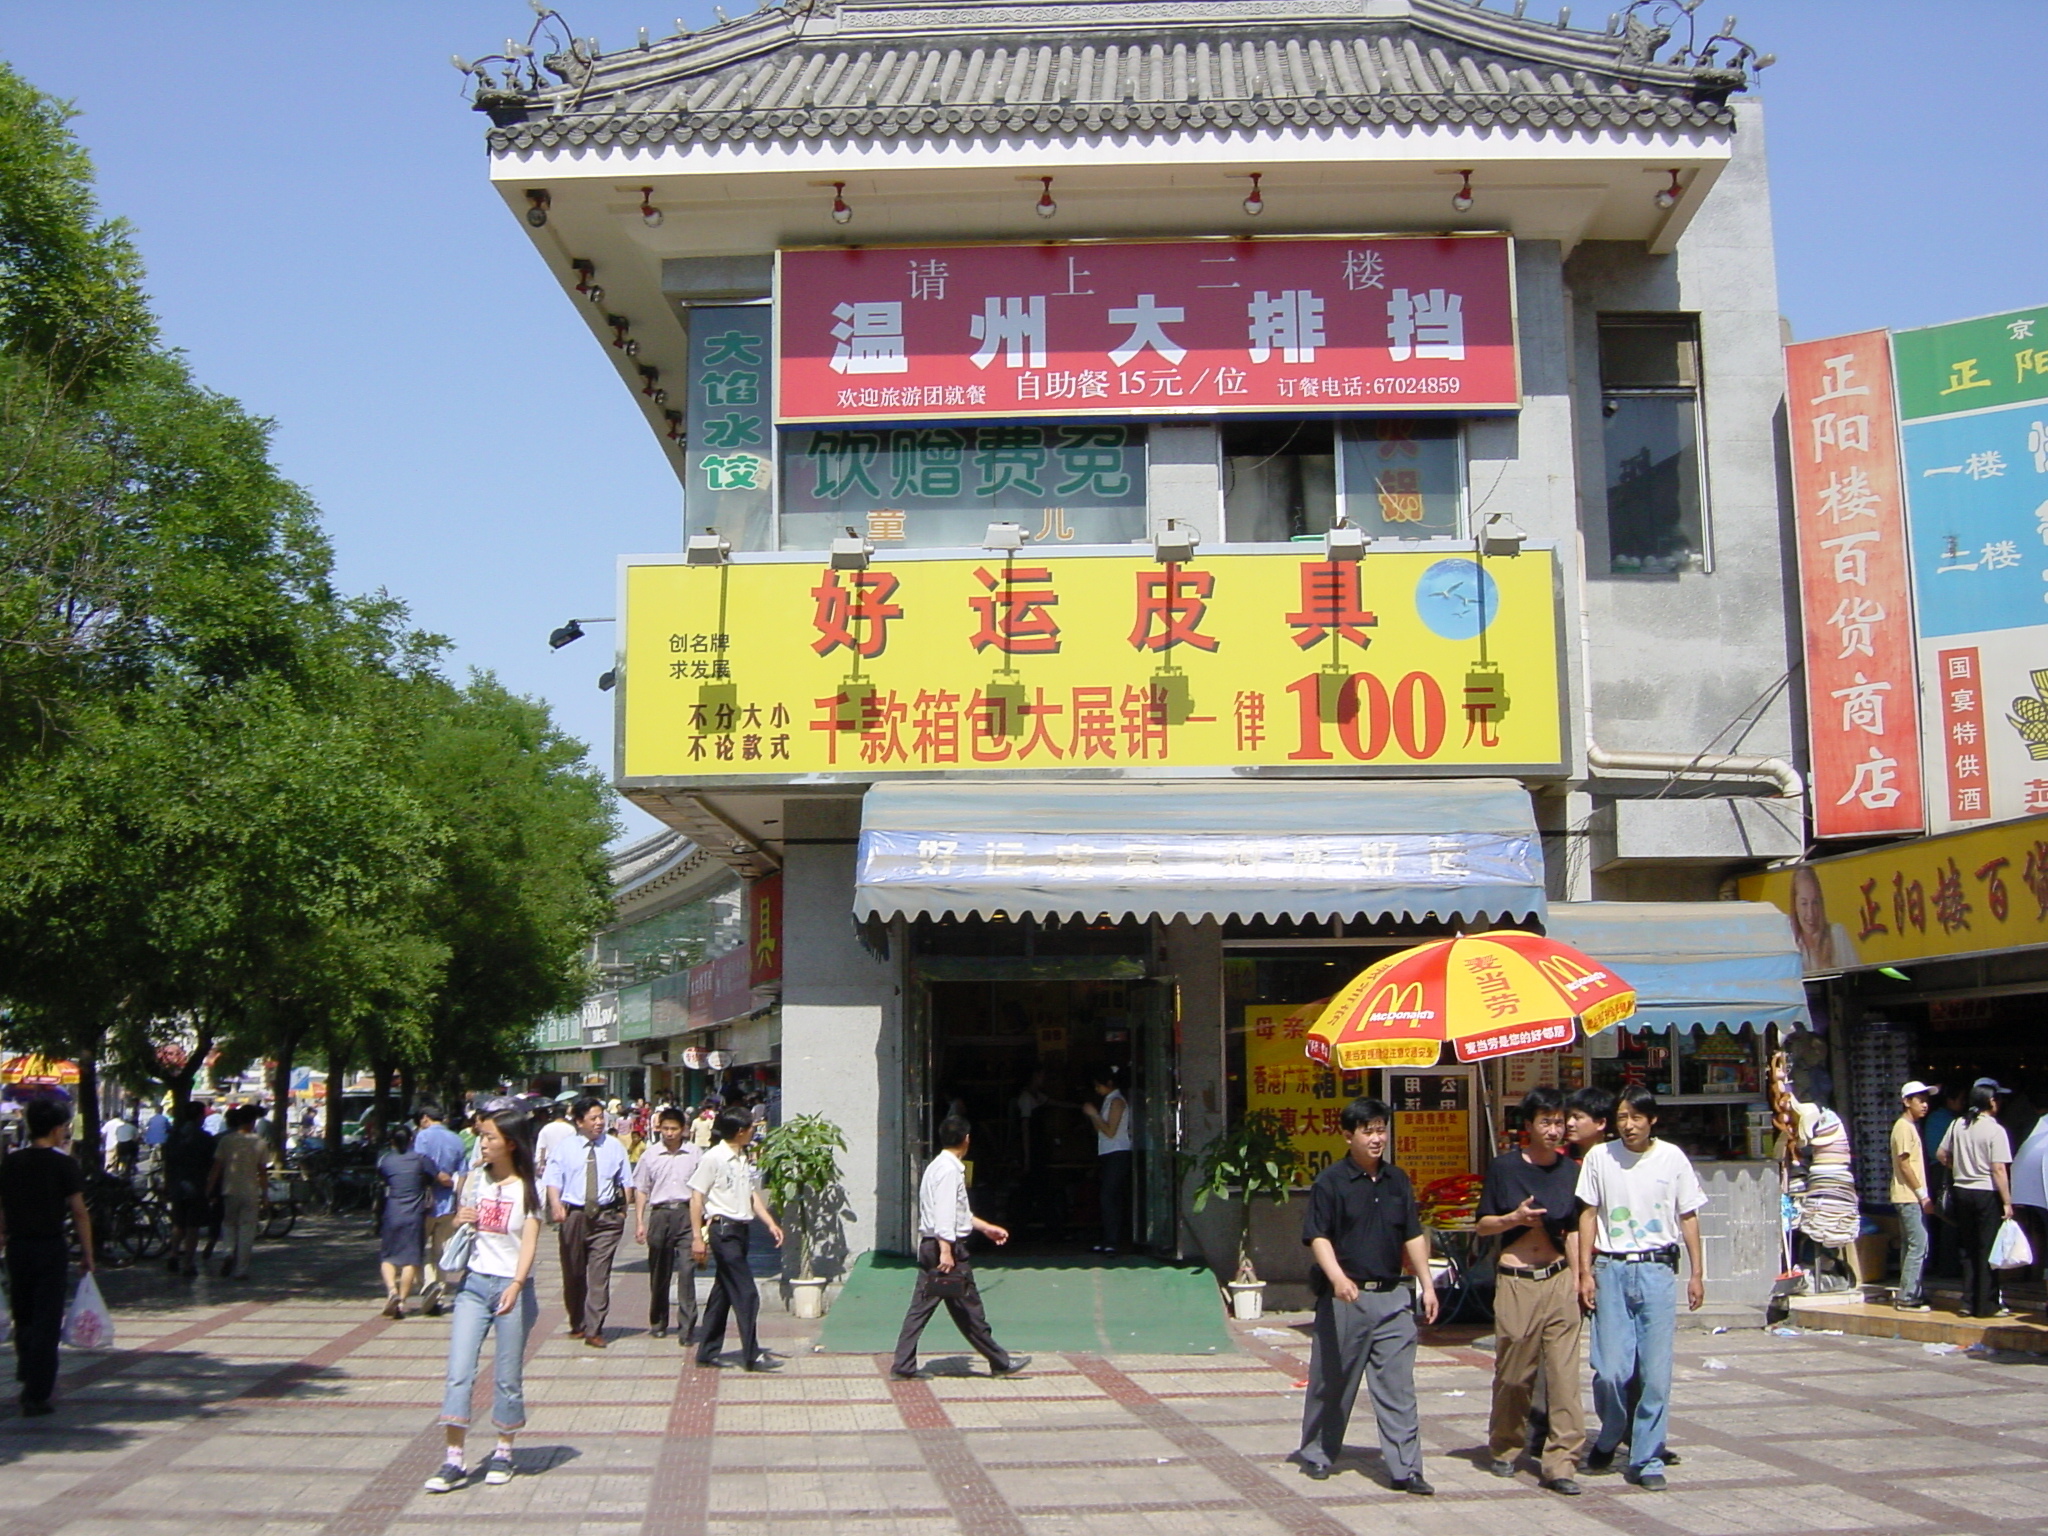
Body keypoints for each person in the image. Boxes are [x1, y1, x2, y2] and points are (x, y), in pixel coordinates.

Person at [1293, 1097, 1439, 1493]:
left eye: (1381, 1129)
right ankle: (1319, 1452)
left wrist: (1427, 1283)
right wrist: (1338, 1278)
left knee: (1397, 1387)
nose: (1377, 1138)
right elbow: (1317, 1235)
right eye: (1368, 1131)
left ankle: (1406, 1468)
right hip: (1347, 1298)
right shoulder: (1331, 1182)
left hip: (1393, 1296)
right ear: (1348, 1136)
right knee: (1333, 1380)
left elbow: (1412, 1233)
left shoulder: (1397, 1181)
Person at [1575, 1087, 1706, 1493]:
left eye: (1635, 1117)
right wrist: (1585, 1272)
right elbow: (1588, 1215)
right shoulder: (1600, 1157)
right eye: (1621, 1117)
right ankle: (1613, 1431)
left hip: (1657, 1271)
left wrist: (1698, 1273)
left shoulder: (1672, 1159)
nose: (1628, 1125)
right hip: (1611, 1269)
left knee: (1654, 1373)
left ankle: (1646, 1455)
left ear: (1652, 1120)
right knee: (1611, 1370)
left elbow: (1688, 1216)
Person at [423, 1101, 543, 1495]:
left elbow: (529, 1242)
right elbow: (463, 1222)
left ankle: (503, 1452)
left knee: (508, 1375)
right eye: (482, 1136)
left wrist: (517, 1284)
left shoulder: (526, 1188)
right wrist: (460, 1220)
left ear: (510, 1143)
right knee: (460, 1370)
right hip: (474, 1285)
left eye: (490, 1137)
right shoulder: (473, 1180)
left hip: (511, 1286)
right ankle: (453, 1460)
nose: (483, 1142)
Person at [1474, 1086, 1584, 1496]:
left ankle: (1562, 1462)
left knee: (1564, 1376)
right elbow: (1482, 1225)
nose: (1555, 1130)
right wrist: (1513, 1218)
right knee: (1515, 1375)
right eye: (1546, 1122)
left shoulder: (1571, 1171)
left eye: (1559, 1122)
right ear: (1528, 1126)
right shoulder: (1504, 1169)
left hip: (1558, 1277)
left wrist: (1581, 1277)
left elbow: (1574, 1228)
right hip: (1517, 1279)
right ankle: (1505, 1445)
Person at [892, 1116, 1029, 1380]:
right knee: (969, 1308)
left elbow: (957, 1212)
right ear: (966, 1140)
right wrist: (947, 1250)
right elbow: (944, 1213)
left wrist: (984, 1227)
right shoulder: (950, 1170)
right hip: (945, 1248)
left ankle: (903, 1365)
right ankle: (1000, 1362)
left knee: (925, 1309)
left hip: (933, 1245)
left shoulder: (937, 1166)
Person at [0, 1098, 95, 1416]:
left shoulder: (12, 1162)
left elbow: (2, 1207)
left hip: (17, 1248)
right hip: (50, 1247)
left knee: (23, 1315)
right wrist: (88, 1254)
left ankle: (28, 1370)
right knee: (47, 1319)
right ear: (56, 1130)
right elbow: (79, 1212)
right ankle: (37, 1392)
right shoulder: (63, 1164)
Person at [689, 1107, 784, 1371]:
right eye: (751, 1128)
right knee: (747, 1293)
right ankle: (752, 1354)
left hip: (742, 1231)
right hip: (723, 1232)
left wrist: (770, 1223)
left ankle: (707, 1351)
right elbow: (696, 1198)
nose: (754, 1131)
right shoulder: (714, 1158)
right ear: (740, 1132)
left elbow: (751, 1195)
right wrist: (697, 1237)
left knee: (723, 1294)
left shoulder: (742, 1157)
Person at [542, 1095, 630, 1346]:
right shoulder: (565, 1147)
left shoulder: (614, 1146)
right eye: (593, 1118)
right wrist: (556, 1205)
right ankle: (577, 1322)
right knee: (573, 1273)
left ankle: (594, 1329)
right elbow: (553, 1179)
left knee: (599, 1275)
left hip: (605, 1218)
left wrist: (623, 1213)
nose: (599, 1122)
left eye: (601, 1117)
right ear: (579, 1121)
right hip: (574, 1216)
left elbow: (626, 1182)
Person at [1937, 1083, 2015, 1318]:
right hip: (1985, 1193)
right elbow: (1998, 1169)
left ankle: (1968, 1302)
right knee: (1987, 1249)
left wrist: (1959, 1166)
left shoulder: (1957, 1125)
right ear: (1991, 1102)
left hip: (1962, 1191)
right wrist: (2008, 1202)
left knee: (1969, 1249)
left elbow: (1941, 1154)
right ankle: (1986, 1304)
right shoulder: (1995, 1130)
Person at [633, 1106, 703, 1343]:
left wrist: (702, 1226)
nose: (670, 1133)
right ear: (659, 1128)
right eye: (666, 1129)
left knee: (686, 1271)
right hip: (660, 1215)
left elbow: (701, 1189)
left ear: (683, 1129)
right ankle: (659, 1321)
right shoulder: (650, 1155)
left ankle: (687, 1327)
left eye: (674, 1129)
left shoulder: (695, 1154)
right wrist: (640, 1221)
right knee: (659, 1273)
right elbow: (641, 1189)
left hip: (686, 1214)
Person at [376, 1123, 443, 1318]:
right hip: (414, 1214)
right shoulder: (421, 1160)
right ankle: (402, 1302)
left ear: (391, 1142)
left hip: (392, 1212)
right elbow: (433, 1177)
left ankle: (392, 1291)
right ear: (412, 1140)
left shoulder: (385, 1160)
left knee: (388, 1256)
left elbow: (383, 1179)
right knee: (411, 1259)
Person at [413, 1102, 469, 1318]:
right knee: (441, 1250)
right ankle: (440, 1293)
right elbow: (463, 1172)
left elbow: (420, 1165)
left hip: (425, 1201)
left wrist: (437, 1177)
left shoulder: (422, 1137)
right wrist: (457, 1193)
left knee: (418, 1248)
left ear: (426, 1118)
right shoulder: (456, 1138)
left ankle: (428, 1286)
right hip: (449, 1203)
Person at [207, 1104, 271, 1280]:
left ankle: (228, 1252)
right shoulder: (259, 1142)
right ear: (253, 1122)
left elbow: (216, 1168)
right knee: (247, 1230)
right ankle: (241, 1269)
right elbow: (262, 1172)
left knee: (228, 1224)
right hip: (250, 1191)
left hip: (229, 1189)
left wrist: (209, 1189)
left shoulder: (226, 1141)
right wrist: (265, 1194)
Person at [1891, 1081, 1938, 1312]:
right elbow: (1905, 1164)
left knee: (1911, 1246)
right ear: (1907, 1101)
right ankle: (1908, 1297)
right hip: (1908, 1196)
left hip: (1909, 1196)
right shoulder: (1903, 1127)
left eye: (1926, 1100)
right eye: (1920, 1100)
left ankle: (1911, 1291)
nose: (1925, 1105)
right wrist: (1922, 1195)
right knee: (1919, 1245)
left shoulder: (1910, 1127)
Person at [1081, 1067, 1133, 1255]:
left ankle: (1113, 1240)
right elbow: (1102, 1131)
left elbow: (1110, 1131)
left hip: (1118, 1152)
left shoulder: (1117, 1101)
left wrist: (1094, 1115)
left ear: (1109, 1084)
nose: (1097, 1089)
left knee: (1108, 1197)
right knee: (1109, 1197)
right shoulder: (1108, 1101)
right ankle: (1108, 1239)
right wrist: (1094, 1116)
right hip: (1108, 1152)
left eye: (1099, 1086)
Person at [163, 1102, 215, 1277]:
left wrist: (167, 1183)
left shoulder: (173, 1137)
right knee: (193, 1227)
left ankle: (173, 1254)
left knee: (178, 1223)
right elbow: (211, 1165)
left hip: (177, 1184)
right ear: (200, 1116)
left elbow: (167, 1162)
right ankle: (188, 1263)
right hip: (196, 1186)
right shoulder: (205, 1138)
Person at [534, 1094, 577, 1189]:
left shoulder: (546, 1128)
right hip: (567, 1164)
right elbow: (575, 1148)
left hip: (550, 1164)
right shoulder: (570, 1129)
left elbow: (541, 1147)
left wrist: (539, 1164)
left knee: (550, 1188)